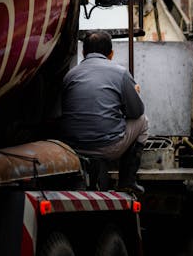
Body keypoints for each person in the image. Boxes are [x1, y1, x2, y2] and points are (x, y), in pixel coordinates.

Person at [60, 30, 148, 193]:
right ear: (111, 54)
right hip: (107, 147)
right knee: (143, 121)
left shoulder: (70, 75)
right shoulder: (120, 73)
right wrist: (133, 93)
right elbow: (136, 112)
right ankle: (127, 181)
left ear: (84, 52)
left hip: (72, 147)